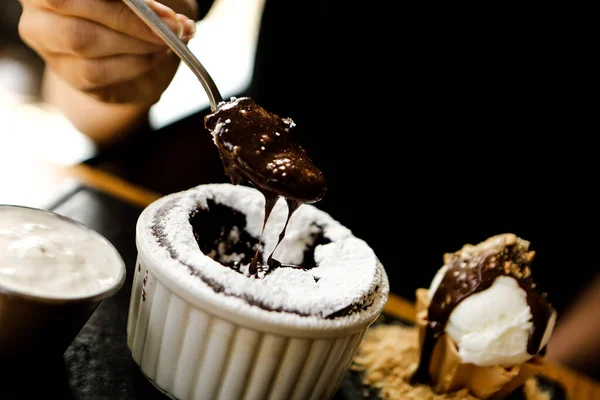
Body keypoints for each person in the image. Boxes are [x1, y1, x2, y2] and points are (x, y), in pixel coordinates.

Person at [17, 0, 599, 379]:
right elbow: (97, 83)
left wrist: (538, 372)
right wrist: (97, 59)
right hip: (237, 196)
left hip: (514, 327)